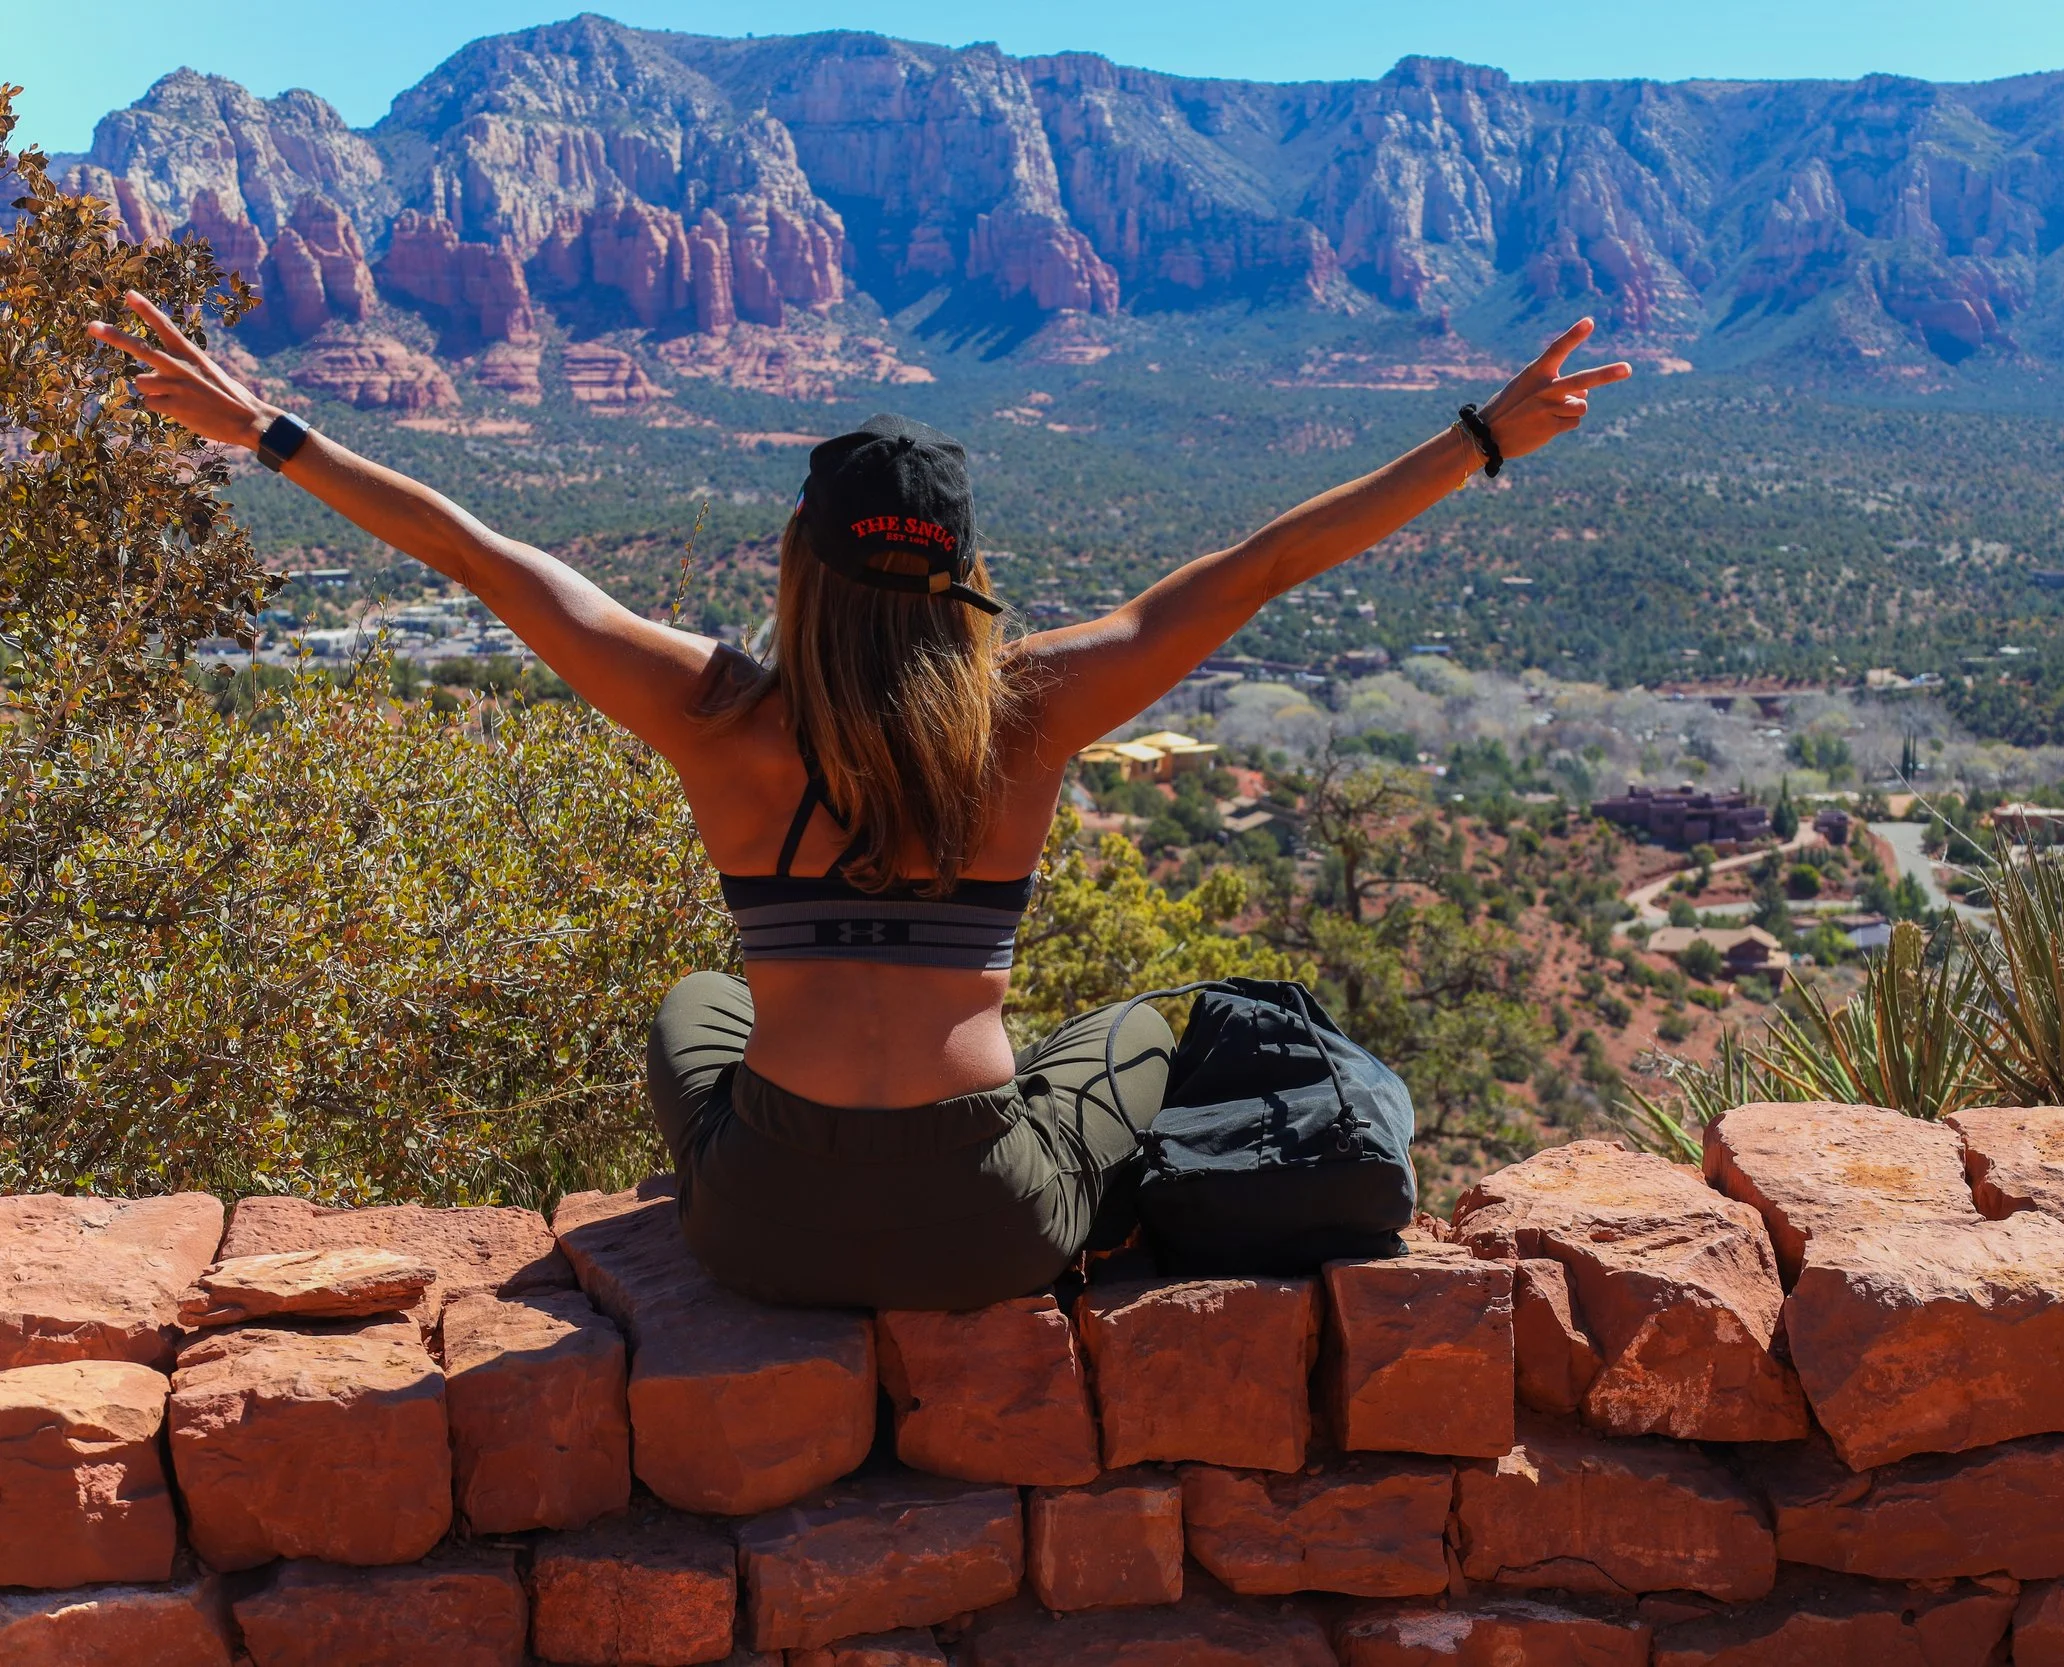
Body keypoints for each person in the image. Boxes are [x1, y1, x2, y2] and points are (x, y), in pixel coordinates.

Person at [90, 294, 1633, 1310]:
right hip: (995, 1227)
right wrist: (1481, 438)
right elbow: (1261, 566)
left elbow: (481, 553)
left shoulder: (720, 718)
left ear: (800, 563)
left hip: (759, 1229)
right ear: (961, 578)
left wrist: (273, 431)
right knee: (1156, 1025)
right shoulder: (1031, 713)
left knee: (701, 1003)